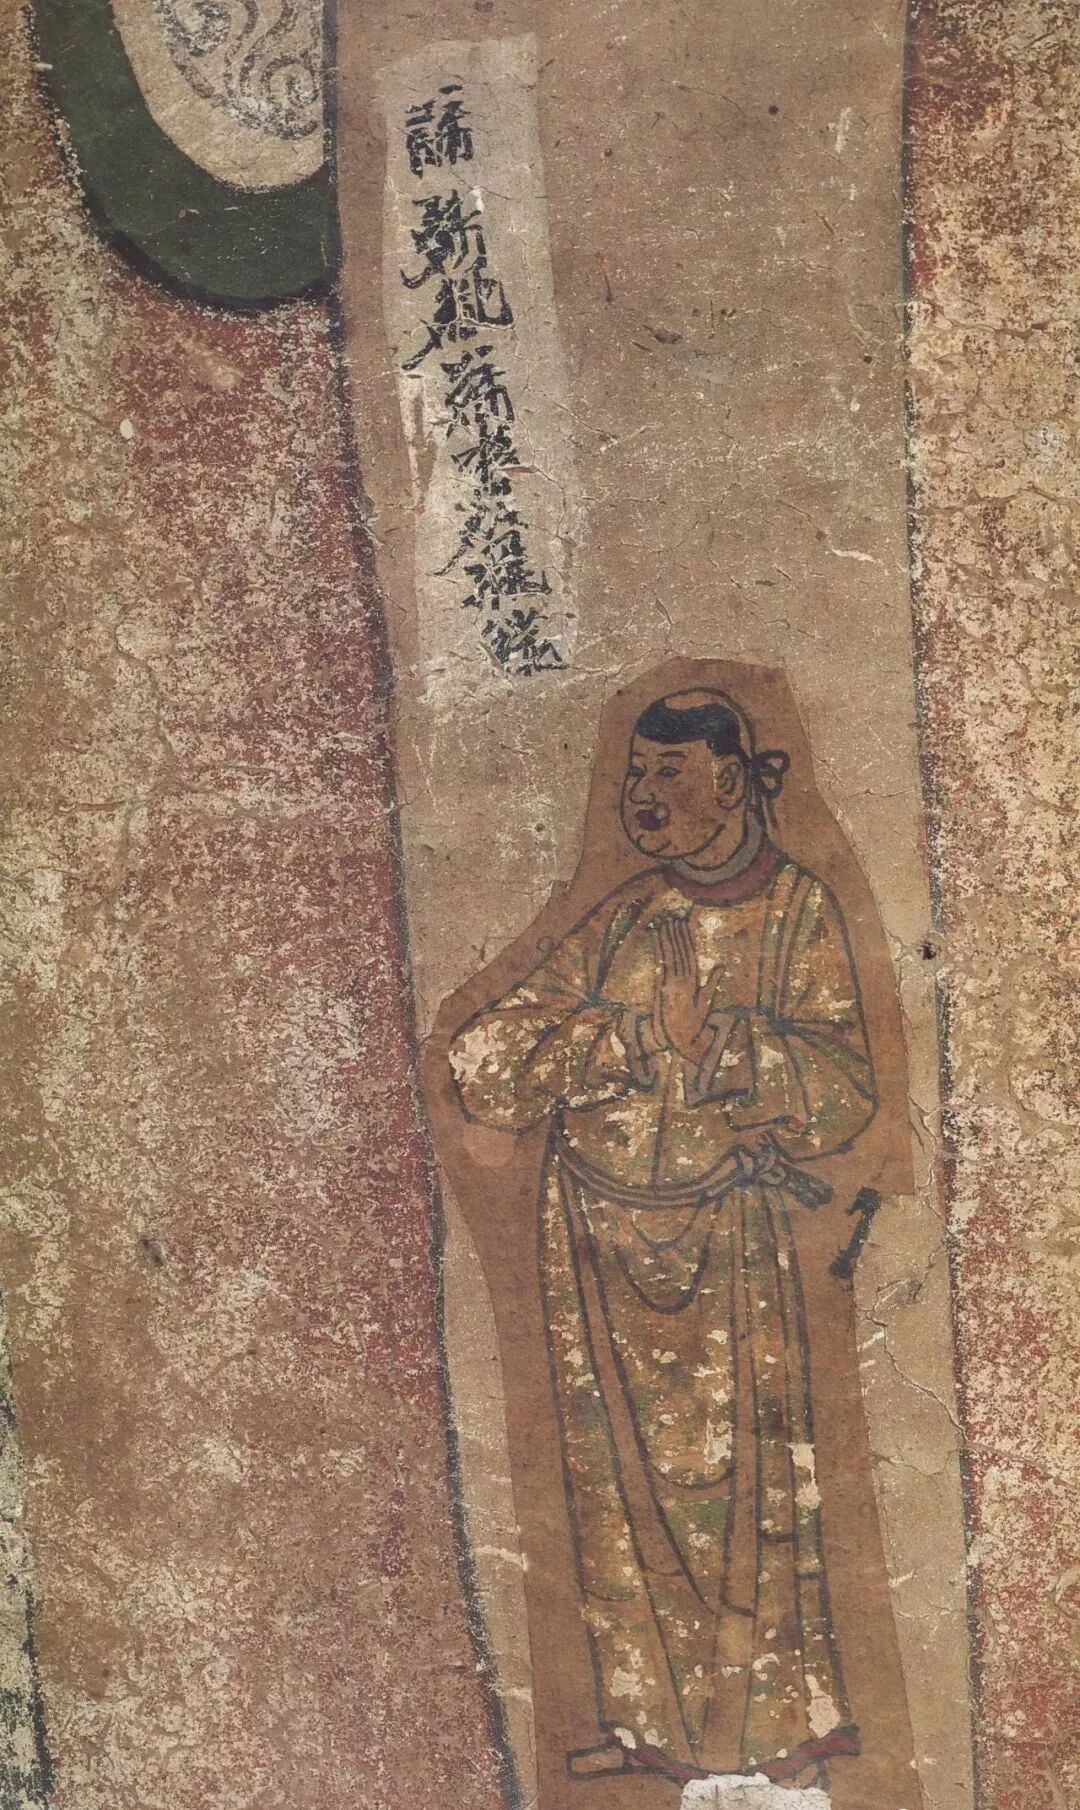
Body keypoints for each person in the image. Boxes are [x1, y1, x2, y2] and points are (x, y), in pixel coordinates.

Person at [449, 690, 877, 1789]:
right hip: (595, 1241)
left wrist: (725, 1049)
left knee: (746, 1496)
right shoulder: (632, 919)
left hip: (728, 1239)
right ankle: (646, 1723)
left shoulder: (798, 912)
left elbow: (844, 1089)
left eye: (667, 777)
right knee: (616, 1494)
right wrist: (632, 1036)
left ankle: (773, 1737)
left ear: (729, 781)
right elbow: (484, 1061)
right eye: (635, 776)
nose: (641, 799)